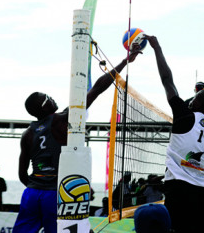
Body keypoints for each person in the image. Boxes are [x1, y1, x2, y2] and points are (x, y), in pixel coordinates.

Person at [12, 47, 142, 233]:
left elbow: (22, 173)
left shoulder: (27, 133)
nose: (52, 98)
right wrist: (124, 61)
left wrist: (37, 186)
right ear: (43, 107)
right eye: (47, 98)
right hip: (54, 194)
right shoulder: (61, 120)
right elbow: (96, 89)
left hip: (32, 193)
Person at [145, 35, 204, 233]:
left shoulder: (184, 116)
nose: (191, 100)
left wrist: (157, 48)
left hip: (179, 190)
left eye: (195, 98)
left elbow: (167, 80)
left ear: (200, 103)